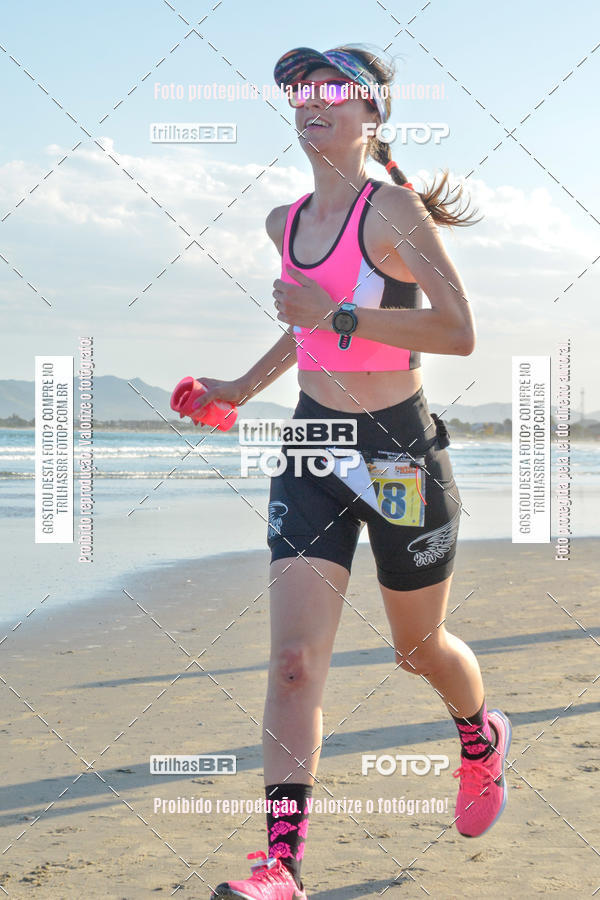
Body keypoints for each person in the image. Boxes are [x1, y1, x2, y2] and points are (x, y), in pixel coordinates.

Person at [199, 44, 512, 900]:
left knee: (417, 647)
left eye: (331, 88)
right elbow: (302, 329)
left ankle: (479, 733)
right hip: (312, 448)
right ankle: (280, 867)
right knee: (294, 663)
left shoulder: (396, 213)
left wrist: (336, 312)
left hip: (397, 453)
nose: (310, 100)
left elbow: (456, 333)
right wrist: (240, 387)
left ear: (372, 112)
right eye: (299, 89)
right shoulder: (284, 222)